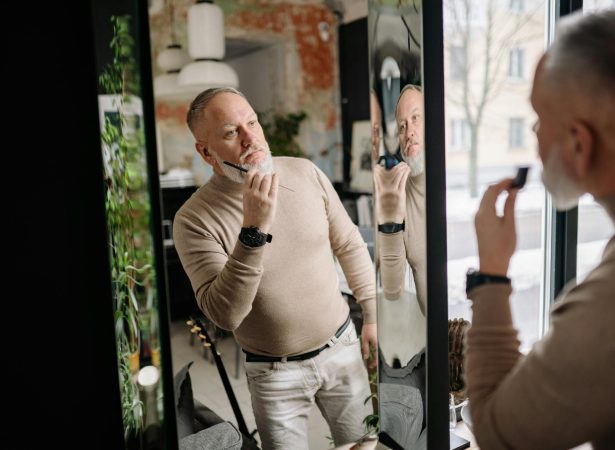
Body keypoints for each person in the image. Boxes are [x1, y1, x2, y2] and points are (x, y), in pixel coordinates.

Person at [467, 9, 615, 450]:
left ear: (580, 144)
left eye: (540, 120)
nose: (536, 137)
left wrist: (491, 275)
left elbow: (498, 432)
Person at [172, 87, 378, 450]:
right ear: (206, 151)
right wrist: (253, 231)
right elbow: (226, 315)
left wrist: (373, 316)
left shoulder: (306, 172)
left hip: (342, 345)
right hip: (273, 373)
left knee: (365, 443)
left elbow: (349, 243)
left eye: (252, 121)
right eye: (232, 132)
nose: (251, 137)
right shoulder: (193, 219)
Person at [373, 84, 426, 313]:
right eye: (402, 126)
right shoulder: (400, 189)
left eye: (416, 118)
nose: (409, 132)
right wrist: (390, 223)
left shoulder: (454, 181)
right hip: (435, 336)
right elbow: (392, 291)